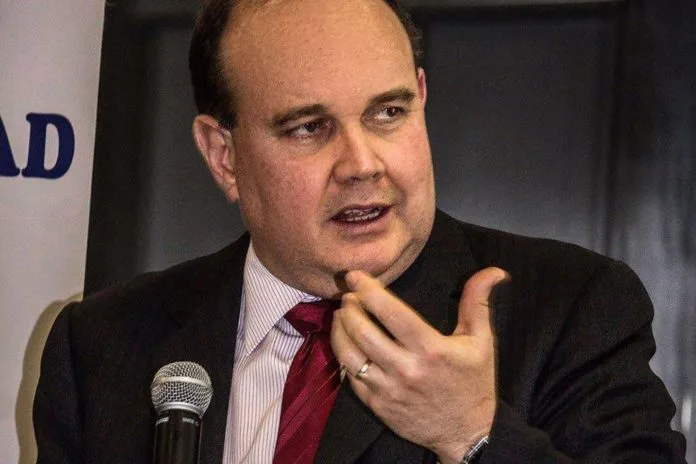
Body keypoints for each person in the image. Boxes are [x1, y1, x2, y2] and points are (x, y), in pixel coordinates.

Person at [33, 0, 687, 463]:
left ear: (421, 100)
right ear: (223, 156)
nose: (362, 164)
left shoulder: (570, 309)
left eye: (388, 113)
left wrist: (473, 435)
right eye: (308, 127)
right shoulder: (103, 345)